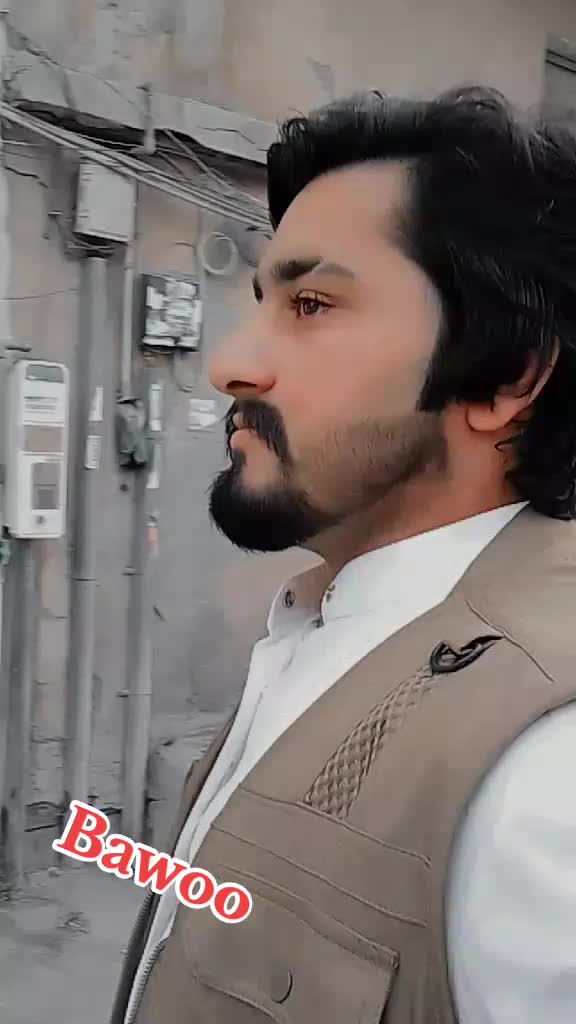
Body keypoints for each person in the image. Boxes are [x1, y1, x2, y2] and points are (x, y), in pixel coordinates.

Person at [112, 87, 576, 1024]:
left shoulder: (543, 768)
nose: (231, 364)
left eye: (313, 304)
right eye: (264, 304)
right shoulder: (322, 623)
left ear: (504, 377)